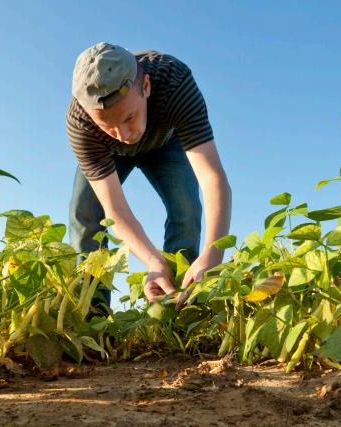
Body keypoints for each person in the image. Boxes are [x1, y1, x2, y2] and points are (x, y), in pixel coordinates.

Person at [67, 42, 232, 311]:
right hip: (108, 154)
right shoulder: (80, 123)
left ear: (145, 87)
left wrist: (212, 257)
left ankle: (178, 310)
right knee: (84, 215)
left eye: (129, 117)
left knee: (186, 209)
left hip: (166, 143)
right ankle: (91, 318)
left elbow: (212, 178)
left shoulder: (175, 82)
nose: (124, 136)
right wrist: (153, 261)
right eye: (108, 125)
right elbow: (115, 210)